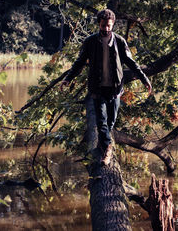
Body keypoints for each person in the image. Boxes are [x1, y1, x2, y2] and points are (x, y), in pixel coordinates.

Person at [60, 9, 152, 165]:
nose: (106, 29)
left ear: (113, 24)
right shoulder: (89, 42)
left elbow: (131, 63)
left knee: (110, 122)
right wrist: (68, 78)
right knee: (101, 122)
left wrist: (144, 78)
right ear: (99, 24)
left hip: (115, 89)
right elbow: (79, 63)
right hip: (97, 89)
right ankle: (108, 149)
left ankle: (103, 143)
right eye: (103, 26)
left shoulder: (120, 41)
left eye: (109, 26)